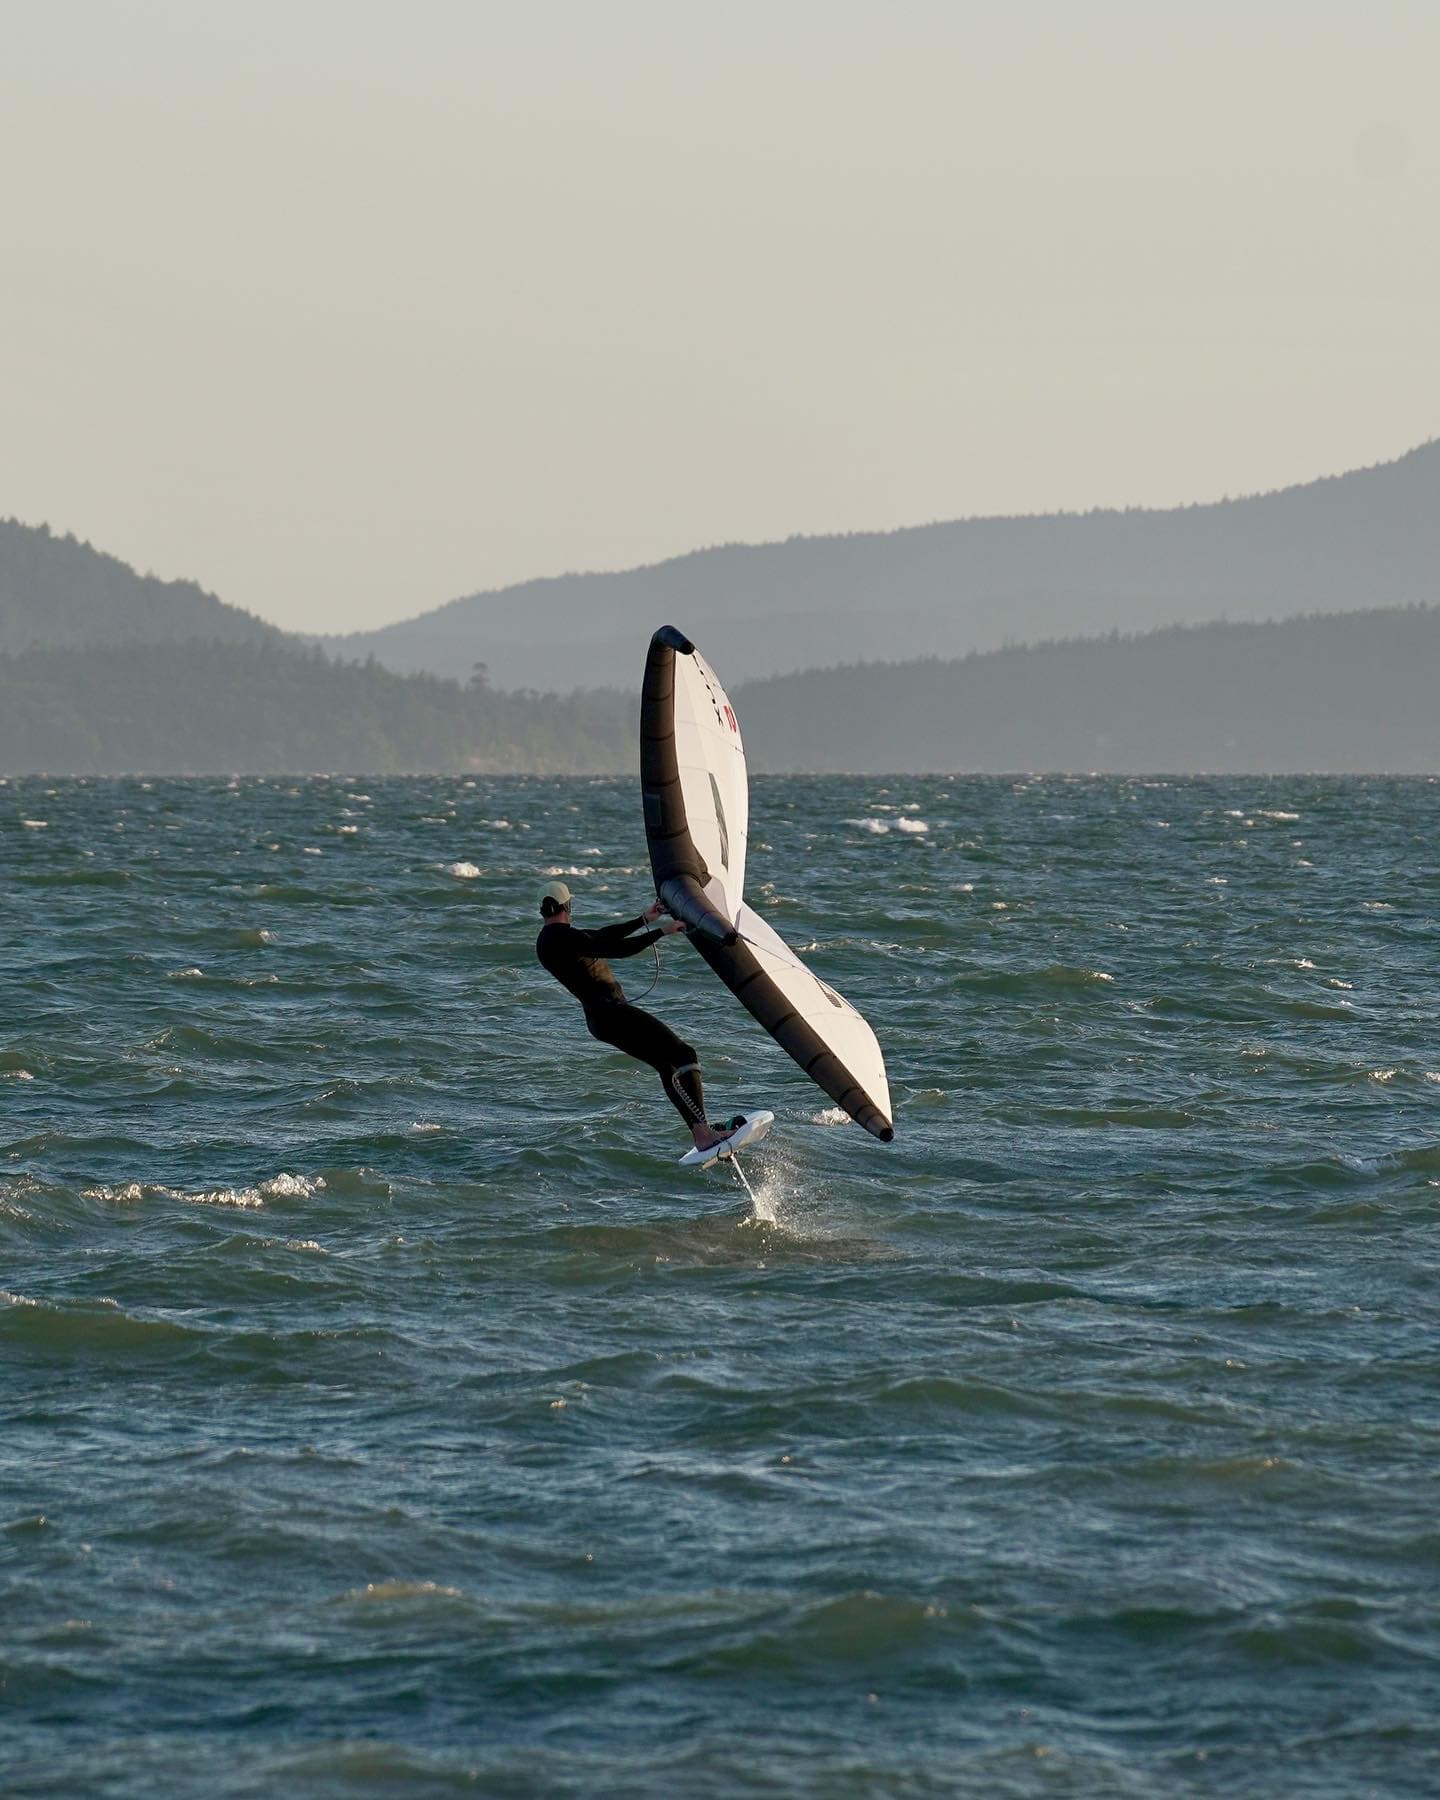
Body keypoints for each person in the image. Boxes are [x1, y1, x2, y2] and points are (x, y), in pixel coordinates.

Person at [534, 880, 740, 1152]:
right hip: (612, 1014)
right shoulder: (563, 939)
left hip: (601, 1020)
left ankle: (702, 1133)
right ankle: (703, 1134)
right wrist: (661, 932)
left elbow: (604, 936)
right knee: (684, 1055)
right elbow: (614, 948)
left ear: (543, 910)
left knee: (666, 1066)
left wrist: (644, 919)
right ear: (567, 905)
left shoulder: (550, 939)